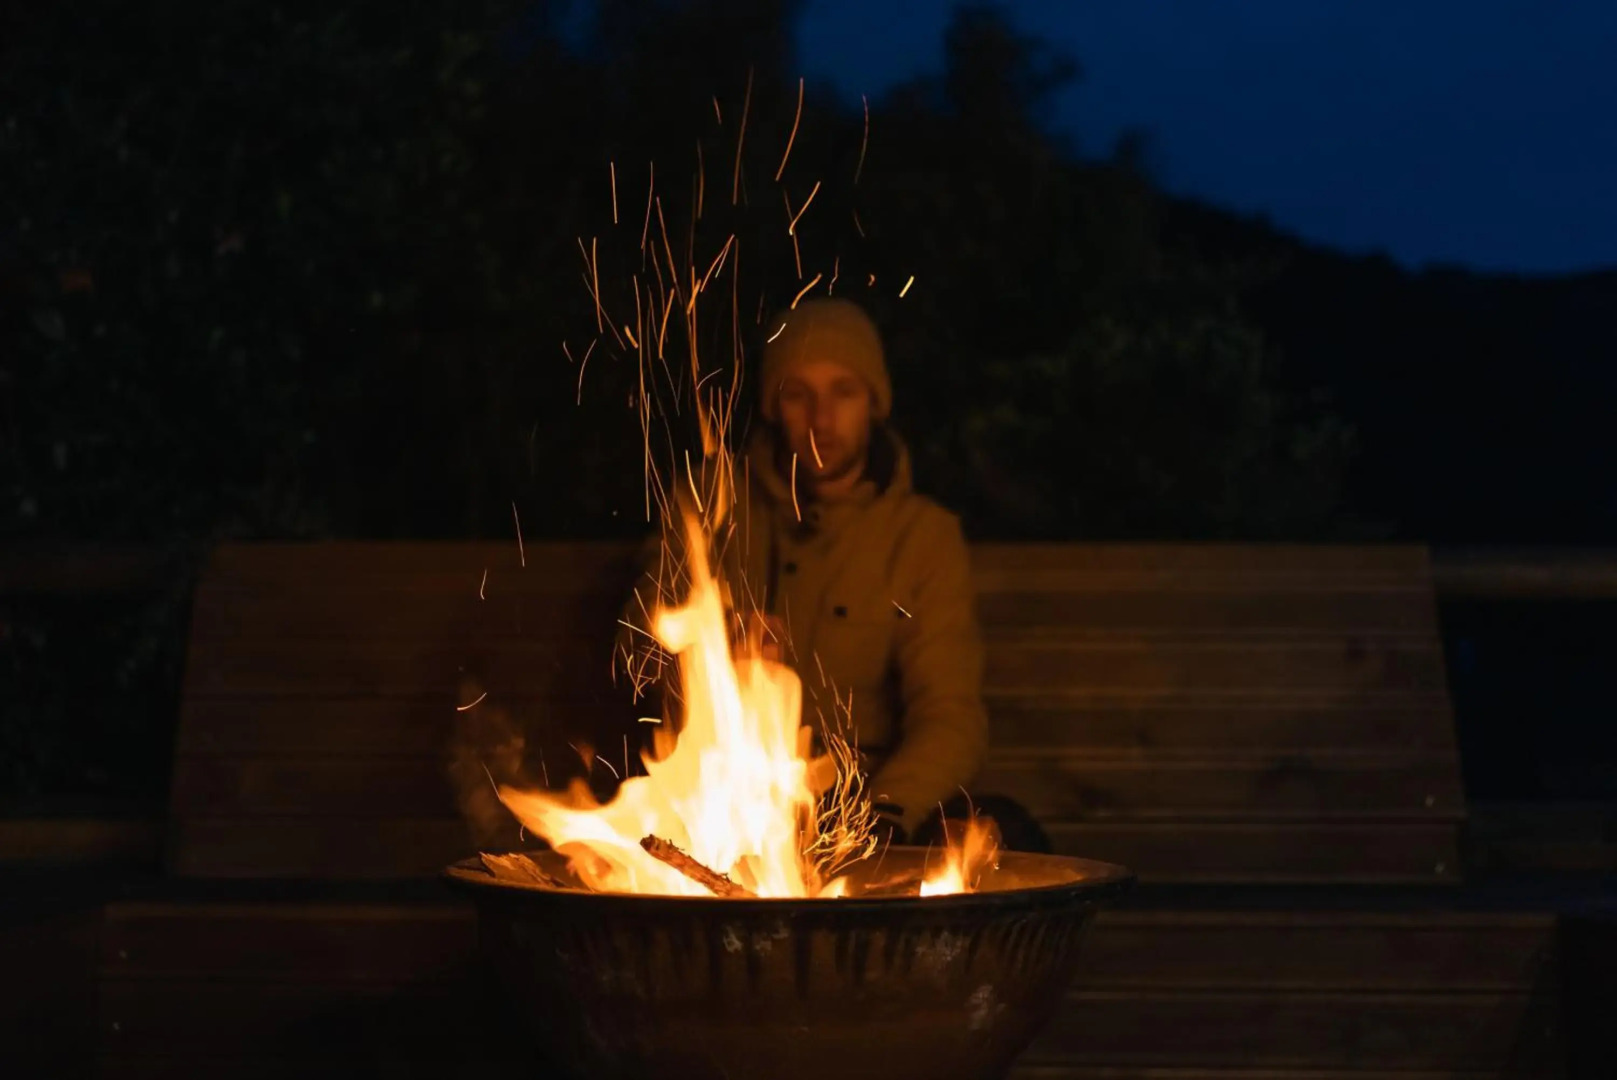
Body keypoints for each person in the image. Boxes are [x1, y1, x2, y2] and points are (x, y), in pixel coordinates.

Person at [621, 297, 1048, 853]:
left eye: (842, 391)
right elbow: (639, 645)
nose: (821, 419)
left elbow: (950, 714)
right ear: (774, 407)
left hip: (867, 806)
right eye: (798, 394)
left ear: (874, 401)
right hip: (726, 808)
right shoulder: (711, 502)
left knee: (1001, 836)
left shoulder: (921, 537)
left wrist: (884, 816)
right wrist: (712, 656)